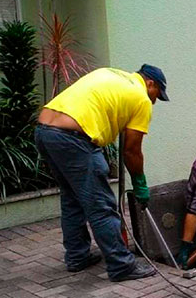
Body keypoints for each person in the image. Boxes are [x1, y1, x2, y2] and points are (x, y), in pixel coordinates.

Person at [35, 64, 168, 282]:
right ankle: (121, 266)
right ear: (150, 83)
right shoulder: (141, 98)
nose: (154, 101)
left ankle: (77, 257)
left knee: (72, 199)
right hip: (73, 139)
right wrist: (140, 183)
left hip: (44, 131)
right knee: (102, 205)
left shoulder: (110, 73)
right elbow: (132, 150)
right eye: (157, 95)